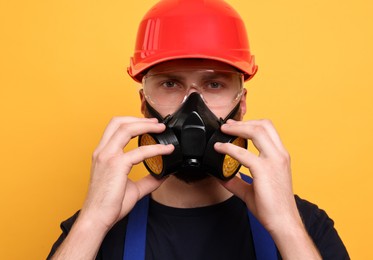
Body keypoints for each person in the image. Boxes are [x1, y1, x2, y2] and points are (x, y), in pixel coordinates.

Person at [48, 0, 349, 259]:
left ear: (241, 103)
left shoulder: (304, 226)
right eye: (170, 83)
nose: (193, 106)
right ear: (144, 103)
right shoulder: (95, 232)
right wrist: (92, 223)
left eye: (214, 84)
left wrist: (286, 227)